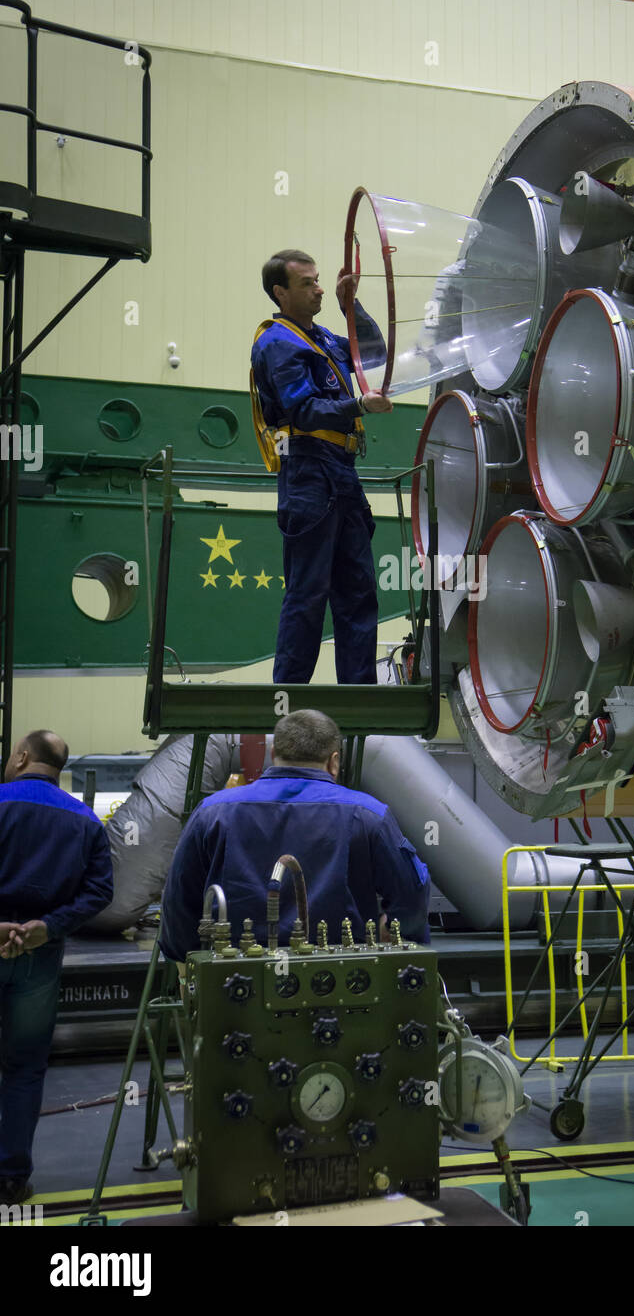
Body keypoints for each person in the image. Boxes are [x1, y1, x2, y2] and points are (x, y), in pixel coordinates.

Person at [159, 710, 430, 961]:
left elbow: (179, 897)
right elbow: (412, 890)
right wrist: (399, 930)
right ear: (334, 761)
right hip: (345, 978)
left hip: (234, 977)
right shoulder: (368, 813)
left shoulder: (213, 811)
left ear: (273, 752)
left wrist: (186, 960)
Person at [250, 249, 392, 685]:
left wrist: (353, 305)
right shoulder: (278, 342)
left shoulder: (324, 338)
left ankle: (360, 698)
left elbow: (372, 354)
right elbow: (304, 410)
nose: (317, 289)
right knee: (308, 592)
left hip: (341, 472)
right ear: (280, 292)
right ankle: (287, 700)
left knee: (358, 590)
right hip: (309, 472)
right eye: (307, 283)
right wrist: (358, 405)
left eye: (317, 281)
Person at [0, 730, 113, 1205]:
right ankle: (10, 1178)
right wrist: (48, 926)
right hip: (38, 956)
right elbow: (100, 892)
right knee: (24, 1068)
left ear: (23, 756)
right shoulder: (86, 822)